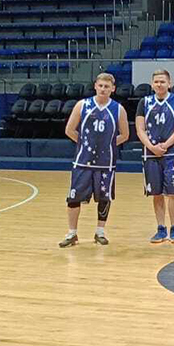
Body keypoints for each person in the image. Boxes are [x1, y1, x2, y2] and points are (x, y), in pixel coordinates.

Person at [60, 72, 129, 247]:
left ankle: (100, 232)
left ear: (113, 89)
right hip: (83, 160)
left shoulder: (118, 109)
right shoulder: (82, 105)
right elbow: (69, 130)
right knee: (73, 198)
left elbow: (125, 135)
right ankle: (72, 233)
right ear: (95, 86)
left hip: (106, 162)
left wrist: (107, 145)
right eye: (101, 86)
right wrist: (84, 143)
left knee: (104, 197)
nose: (103, 89)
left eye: (107, 86)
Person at [135, 69, 174, 244]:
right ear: (152, 84)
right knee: (156, 193)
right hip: (150, 154)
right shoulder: (144, 102)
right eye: (156, 82)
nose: (159, 84)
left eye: (162, 81)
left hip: (172, 154)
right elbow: (140, 129)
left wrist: (165, 145)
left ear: (169, 83)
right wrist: (151, 147)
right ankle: (160, 228)